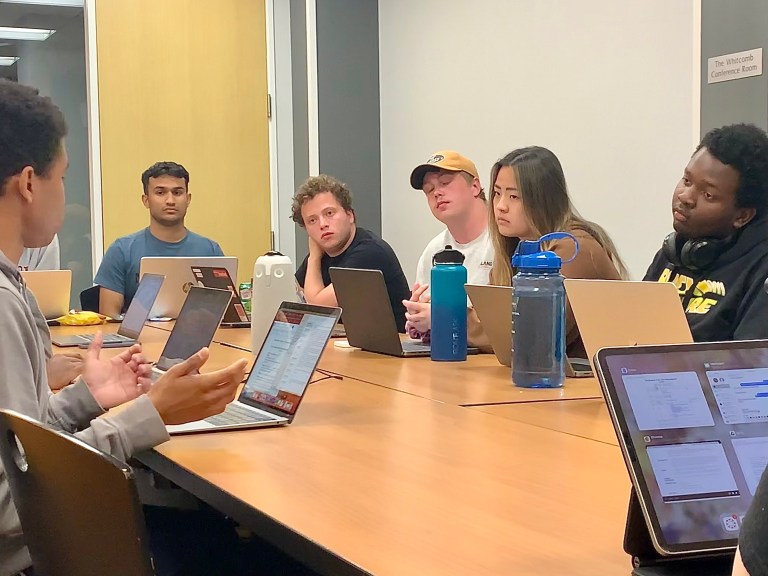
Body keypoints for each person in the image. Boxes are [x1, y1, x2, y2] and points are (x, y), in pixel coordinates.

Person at [0, 79, 248, 576]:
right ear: (30, 183)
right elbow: (13, 501)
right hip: (40, 555)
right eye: (63, 177)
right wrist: (148, 414)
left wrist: (85, 398)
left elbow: (19, 442)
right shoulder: (3, 304)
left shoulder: (12, 288)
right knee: (250, 549)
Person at [470, 146, 627, 358]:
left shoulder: (574, 247)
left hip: (593, 383)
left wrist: (452, 320)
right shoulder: (517, 246)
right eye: (497, 194)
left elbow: (532, 335)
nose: (500, 206)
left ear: (544, 201)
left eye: (514, 197)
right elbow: (494, 321)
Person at [644, 123, 768, 342]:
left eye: (708, 194)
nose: (685, 197)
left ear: (742, 216)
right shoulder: (675, 251)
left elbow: (750, 365)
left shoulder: (760, 269)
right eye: (687, 180)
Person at [94, 161, 224, 318]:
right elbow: (109, 319)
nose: (170, 200)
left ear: (188, 199)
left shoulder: (211, 251)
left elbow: (222, 316)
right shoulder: (122, 250)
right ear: (146, 200)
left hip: (198, 340)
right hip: (138, 341)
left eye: (177, 193)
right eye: (160, 193)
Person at [292, 174, 410, 331]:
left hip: (392, 350)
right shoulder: (323, 254)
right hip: (350, 347)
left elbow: (318, 308)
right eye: (312, 220)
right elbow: (292, 295)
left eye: (329, 213)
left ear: (350, 215)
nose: (323, 224)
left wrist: (313, 258)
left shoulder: (370, 252)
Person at [403, 150, 494, 340]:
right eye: (429, 189)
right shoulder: (433, 250)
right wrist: (418, 319)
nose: (437, 192)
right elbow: (425, 311)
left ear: (475, 186)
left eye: (445, 182)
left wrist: (439, 319)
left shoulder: (504, 241)